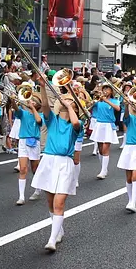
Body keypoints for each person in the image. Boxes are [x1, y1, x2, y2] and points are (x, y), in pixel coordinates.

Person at [30, 75, 82, 252]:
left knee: (59, 203)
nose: (67, 102)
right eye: (64, 100)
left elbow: (75, 122)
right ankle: (58, 230)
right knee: (50, 202)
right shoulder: (52, 119)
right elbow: (45, 106)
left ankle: (52, 239)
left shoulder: (78, 123)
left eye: (71, 101)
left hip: (65, 163)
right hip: (49, 161)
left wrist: (70, 104)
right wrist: (43, 87)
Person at [116, 95, 136, 214]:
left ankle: (133, 202)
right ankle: (130, 200)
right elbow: (125, 117)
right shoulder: (129, 117)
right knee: (129, 177)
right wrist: (126, 105)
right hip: (129, 147)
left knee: (135, 175)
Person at [12, 88, 43, 206]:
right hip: (23, 142)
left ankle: (38, 189)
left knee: (35, 169)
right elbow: (16, 109)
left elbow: (39, 121)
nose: (31, 102)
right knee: (23, 169)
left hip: (34, 142)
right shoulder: (23, 113)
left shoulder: (40, 115)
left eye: (34, 101)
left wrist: (33, 108)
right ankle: (21, 196)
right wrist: (13, 100)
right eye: (31, 101)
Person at [90, 83, 120, 178]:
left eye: (108, 89)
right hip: (99, 124)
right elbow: (89, 107)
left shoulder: (115, 101)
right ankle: (104, 168)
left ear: (111, 91)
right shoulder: (99, 101)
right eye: (104, 89)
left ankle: (103, 171)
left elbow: (117, 109)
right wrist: (92, 102)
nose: (105, 90)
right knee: (100, 149)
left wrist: (106, 100)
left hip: (108, 125)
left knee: (105, 148)